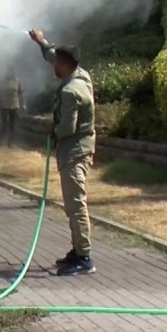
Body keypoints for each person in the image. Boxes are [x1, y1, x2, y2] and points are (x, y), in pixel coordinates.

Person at [28, 29, 97, 275]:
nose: (53, 66)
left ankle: (84, 256)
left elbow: (68, 126)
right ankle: (78, 249)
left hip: (75, 152)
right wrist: (41, 42)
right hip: (79, 148)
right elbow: (52, 57)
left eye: (57, 62)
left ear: (65, 65)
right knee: (72, 204)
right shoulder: (80, 76)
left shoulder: (70, 92)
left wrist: (52, 131)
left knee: (76, 204)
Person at [0, 69, 25, 147]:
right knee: (5, 123)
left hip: (15, 104)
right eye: (9, 72)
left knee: (13, 125)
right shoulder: (2, 81)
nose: (11, 73)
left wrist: (23, 104)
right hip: (4, 105)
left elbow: (21, 93)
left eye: (12, 72)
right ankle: (0, 139)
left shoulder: (17, 81)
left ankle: (11, 142)